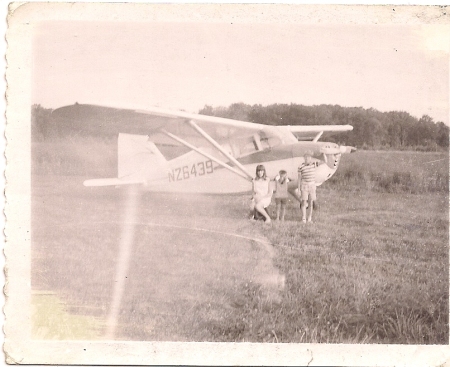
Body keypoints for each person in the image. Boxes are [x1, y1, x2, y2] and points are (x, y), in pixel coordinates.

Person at [298, 152, 319, 223]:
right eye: (306, 158)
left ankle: (309, 218)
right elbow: (299, 178)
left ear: (311, 159)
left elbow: (323, 161)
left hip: (312, 186)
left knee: (311, 202)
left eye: (309, 158)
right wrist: (299, 188)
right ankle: (303, 218)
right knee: (304, 201)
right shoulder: (301, 166)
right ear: (304, 158)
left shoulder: (314, 165)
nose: (307, 159)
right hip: (304, 185)